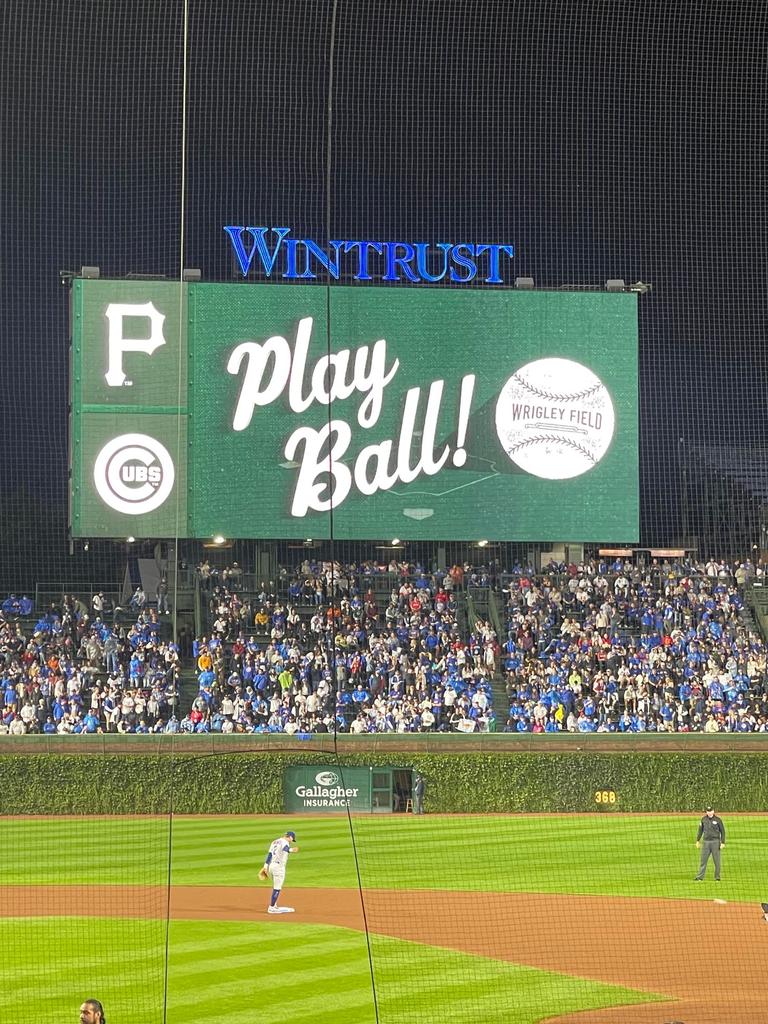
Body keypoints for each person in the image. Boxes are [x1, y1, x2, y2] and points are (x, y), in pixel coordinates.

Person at [262, 829, 299, 914]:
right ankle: (271, 908)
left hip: (271, 866)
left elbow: (270, 854)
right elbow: (285, 848)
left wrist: (265, 866)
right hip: (278, 868)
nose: (291, 842)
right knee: (277, 887)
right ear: (289, 837)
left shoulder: (274, 842)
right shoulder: (285, 842)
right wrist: (292, 850)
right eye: (292, 840)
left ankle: (274, 905)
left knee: (276, 886)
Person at [695, 805, 725, 880]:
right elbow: (700, 831)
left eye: (711, 811)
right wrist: (698, 840)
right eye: (708, 811)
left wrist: (723, 842)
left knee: (717, 861)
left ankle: (717, 877)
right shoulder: (703, 819)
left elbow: (723, 831)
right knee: (703, 861)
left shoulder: (718, 820)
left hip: (715, 842)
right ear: (706, 812)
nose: (709, 812)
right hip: (706, 842)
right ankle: (700, 877)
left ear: (713, 811)